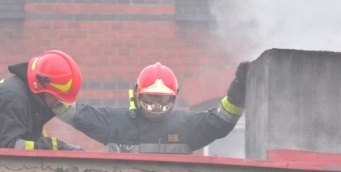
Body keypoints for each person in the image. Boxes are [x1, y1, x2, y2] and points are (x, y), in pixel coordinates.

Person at [56, 61, 249, 154]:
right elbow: (76, 114)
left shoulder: (186, 125)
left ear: (174, 98)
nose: (156, 107)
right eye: (150, 99)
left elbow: (221, 121)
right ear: (137, 94)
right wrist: (47, 94)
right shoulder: (114, 121)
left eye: (163, 101)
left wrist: (238, 90)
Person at [0, 50, 85, 150]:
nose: (57, 104)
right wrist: (58, 148)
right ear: (41, 87)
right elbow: (12, 147)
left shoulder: (32, 101)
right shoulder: (13, 99)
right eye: (56, 98)